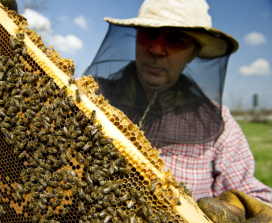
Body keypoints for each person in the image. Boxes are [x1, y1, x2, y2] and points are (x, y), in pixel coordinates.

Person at [84, 0, 272, 221]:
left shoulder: (221, 126)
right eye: (149, 33)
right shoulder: (87, 94)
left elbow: (258, 198)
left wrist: (242, 209)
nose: (155, 49)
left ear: (193, 52)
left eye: (175, 39)